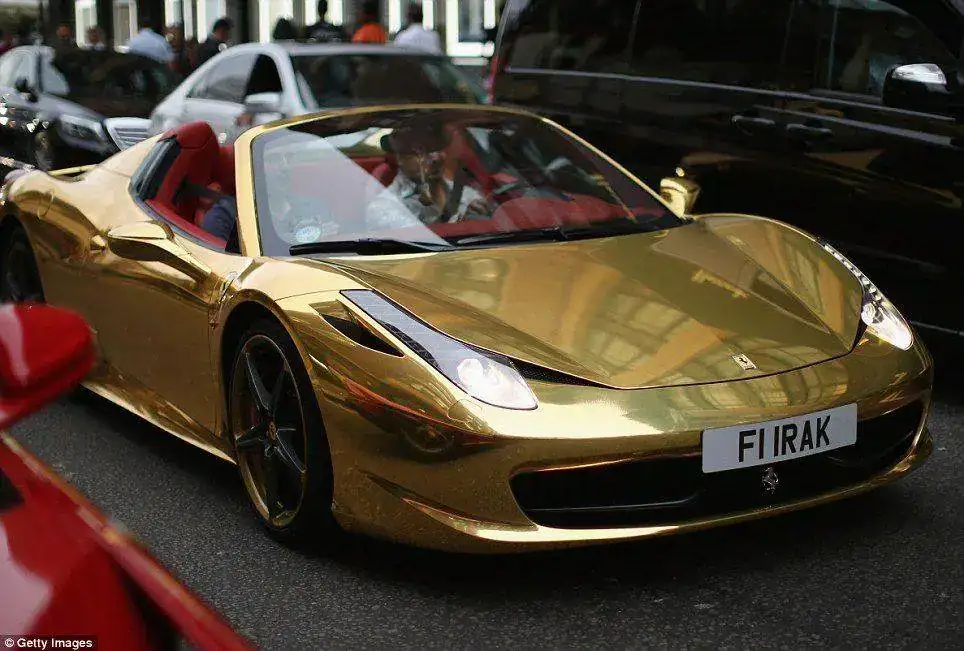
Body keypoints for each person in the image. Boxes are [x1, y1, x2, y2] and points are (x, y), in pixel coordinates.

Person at [366, 121, 486, 230]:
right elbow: (421, 240)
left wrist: (475, 212)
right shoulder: (383, 207)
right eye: (420, 152)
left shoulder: (463, 192)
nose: (435, 157)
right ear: (400, 158)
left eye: (436, 149)